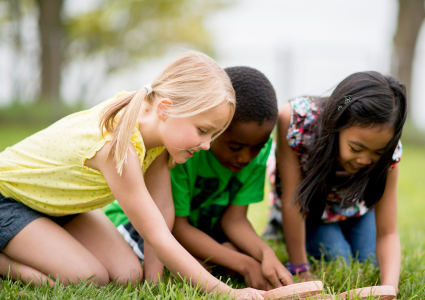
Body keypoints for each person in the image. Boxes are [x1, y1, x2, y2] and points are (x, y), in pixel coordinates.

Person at [0, 51, 264, 299]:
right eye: (203, 130)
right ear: (165, 108)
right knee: (87, 277)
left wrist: (153, 285)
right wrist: (229, 293)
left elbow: (160, 210)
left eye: (213, 134)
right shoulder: (119, 146)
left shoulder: (157, 134)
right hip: (9, 201)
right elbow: (158, 236)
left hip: (59, 206)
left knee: (128, 276)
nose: (206, 144)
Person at [105, 66, 294, 290]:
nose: (245, 157)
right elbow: (173, 227)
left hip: (199, 228)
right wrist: (246, 264)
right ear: (216, 129)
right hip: (145, 226)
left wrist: (266, 255)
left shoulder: (258, 153)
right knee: (214, 264)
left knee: (231, 255)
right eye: (235, 147)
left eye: (257, 148)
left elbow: (234, 220)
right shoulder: (185, 150)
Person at [266, 71, 407, 292]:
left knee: (369, 261)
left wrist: (390, 288)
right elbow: (293, 200)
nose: (365, 160)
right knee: (338, 259)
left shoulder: (390, 151)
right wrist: (300, 268)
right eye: (356, 148)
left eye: (377, 152)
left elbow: (388, 231)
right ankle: (276, 224)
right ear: (337, 125)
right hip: (311, 211)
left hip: (356, 208)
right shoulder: (296, 123)